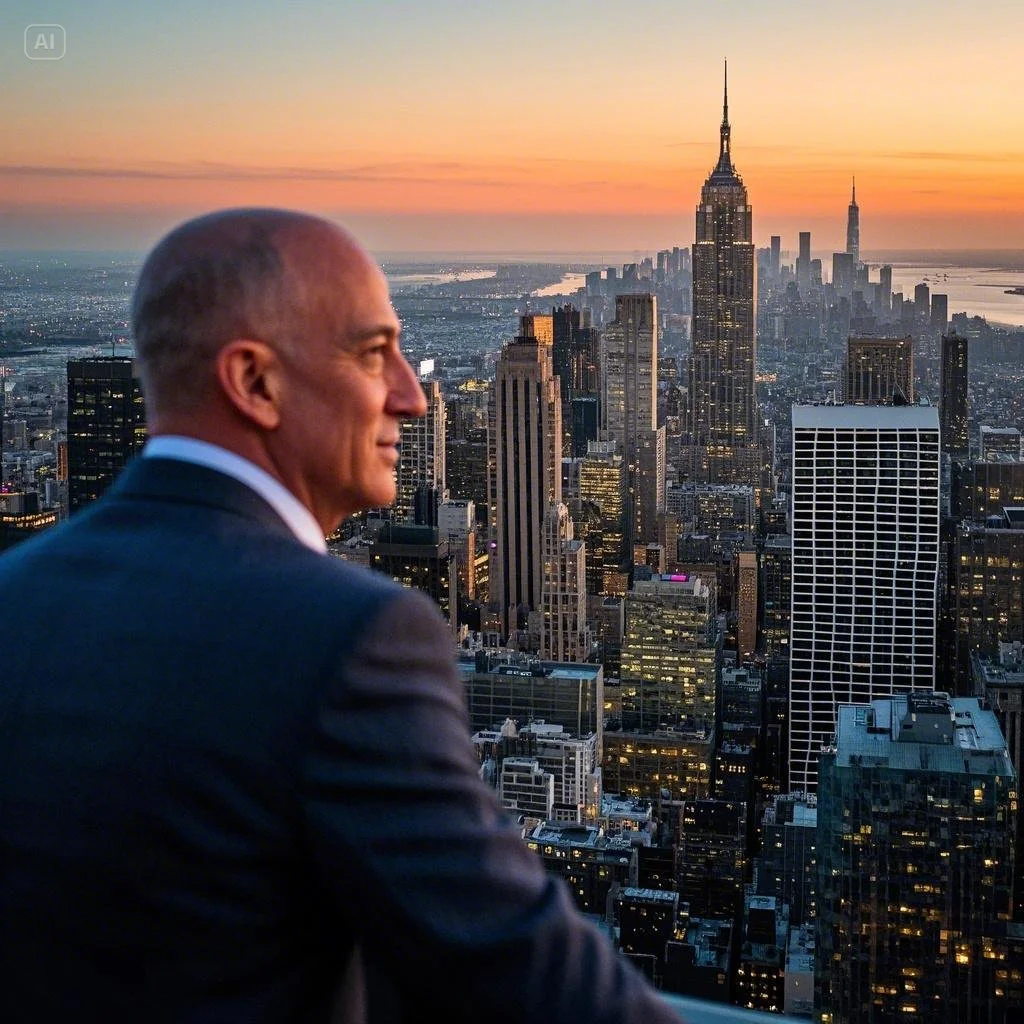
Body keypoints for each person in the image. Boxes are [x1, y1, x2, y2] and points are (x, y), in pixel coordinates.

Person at [0, 209, 685, 1023]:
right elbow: (542, 987)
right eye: (371, 354)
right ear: (254, 381)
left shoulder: (16, 593)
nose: (411, 396)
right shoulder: (349, 637)